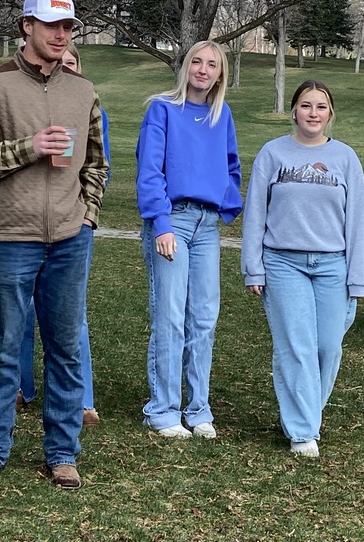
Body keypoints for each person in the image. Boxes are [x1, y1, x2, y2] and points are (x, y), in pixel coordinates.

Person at [0, 0, 108, 490]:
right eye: (51, 26)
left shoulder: (83, 90)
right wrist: (29, 147)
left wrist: (87, 216)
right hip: (9, 237)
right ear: (26, 26)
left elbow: (97, 163)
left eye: (67, 27)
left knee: (64, 348)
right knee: (1, 347)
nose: (61, 35)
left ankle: (63, 453)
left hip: (69, 238)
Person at [240, 79, 364, 458]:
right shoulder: (272, 154)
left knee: (328, 347)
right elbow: (255, 215)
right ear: (293, 110)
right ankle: (302, 431)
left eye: (321, 107)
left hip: (332, 264)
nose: (313, 113)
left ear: (330, 114)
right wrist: (254, 268)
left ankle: (307, 411)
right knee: (296, 347)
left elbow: (356, 222)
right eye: (306, 105)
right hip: (282, 263)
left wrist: (357, 278)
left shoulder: (346, 158)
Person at [135, 40, 242, 439]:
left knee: (204, 317)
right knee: (170, 314)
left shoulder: (221, 114)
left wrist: (226, 203)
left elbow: (231, 164)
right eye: (196, 61)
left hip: (206, 226)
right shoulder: (162, 109)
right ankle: (162, 410)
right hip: (172, 222)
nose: (202, 69)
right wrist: (160, 223)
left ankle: (198, 409)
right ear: (186, 67)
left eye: (211, 64)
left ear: (219, 73)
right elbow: (149, 170)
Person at [17, 44, 108, 427]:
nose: (64, 68)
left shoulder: (88, 104)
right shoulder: (28, 103)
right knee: (22, 312)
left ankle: (81, 399)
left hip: (73, 228)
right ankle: (22, 386)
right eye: (61, 62)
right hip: (24, 225)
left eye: (72, 64)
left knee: (71, 318)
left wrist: (88, 215)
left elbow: (99, 165)